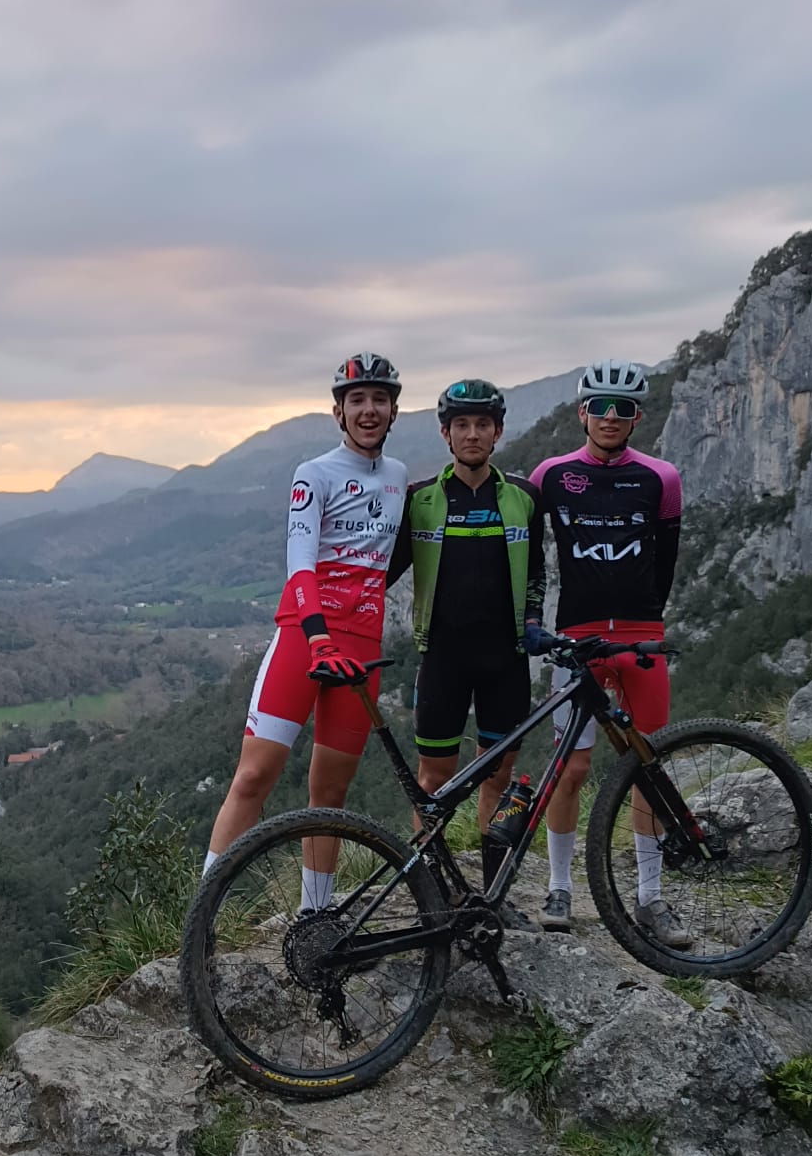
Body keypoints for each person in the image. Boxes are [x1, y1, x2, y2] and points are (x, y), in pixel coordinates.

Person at [204, 352, 407, 908]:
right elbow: (300, 559)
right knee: (254, 776)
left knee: (330, 794)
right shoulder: (312, 473)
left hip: (362, 644)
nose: (369, 410)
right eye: (357, 400)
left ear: (394, 410)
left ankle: (314, 914)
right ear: (339, 411)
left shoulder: (398, 478)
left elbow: (394, 557)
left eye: (379, 400)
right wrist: (317, 634)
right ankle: (202, 915)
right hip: (305, 634)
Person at [529, 359, 690, 947]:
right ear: (582, 413)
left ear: (638, 416)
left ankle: (650, 899)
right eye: (600, 407)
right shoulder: (550, 474)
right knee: (570, 767)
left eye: (623, 409)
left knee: (647, 768)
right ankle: (559, 888)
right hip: (578, 637)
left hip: (640, 638)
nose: (611, 417)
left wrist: (647, 618)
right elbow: (529, 555)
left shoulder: (660, 478)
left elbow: (665, 562)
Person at [387, 379, 548, 889]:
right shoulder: (421, 501)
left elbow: (537, 571)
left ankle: (494, 893)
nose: (472, 434)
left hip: (507, 659)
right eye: (462, 425)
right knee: (432, 782)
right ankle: (430, 892)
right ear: (445, 433)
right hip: (444, 660)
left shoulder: (523, 497)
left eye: (482, 425)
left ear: (498, 432)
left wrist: (535, 622)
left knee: (497, 780)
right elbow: (383, 572)